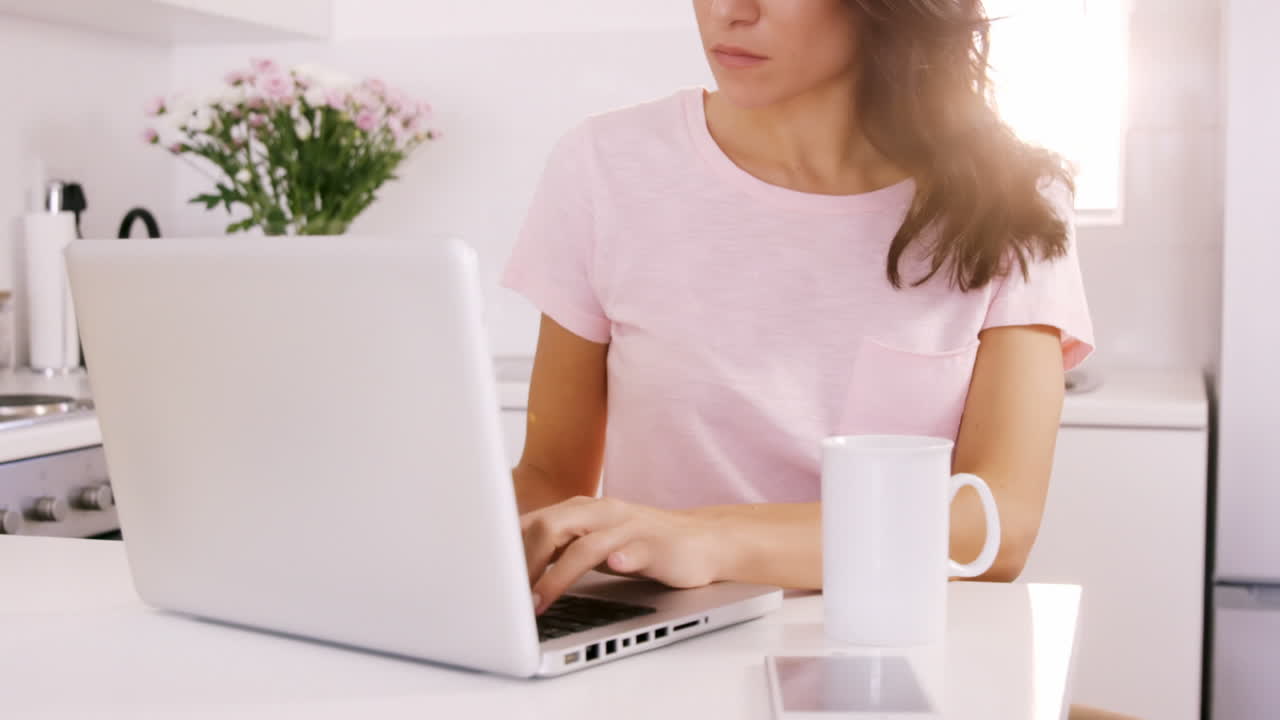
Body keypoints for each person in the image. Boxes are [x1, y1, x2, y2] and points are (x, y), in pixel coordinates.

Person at [502, 0, 1094, 616]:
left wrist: (710, 541)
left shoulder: (1014, 202)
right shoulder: (605, 165)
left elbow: (996, 526)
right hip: (656, 649)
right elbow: (549, 479)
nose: (728, 11)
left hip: (890, 647)